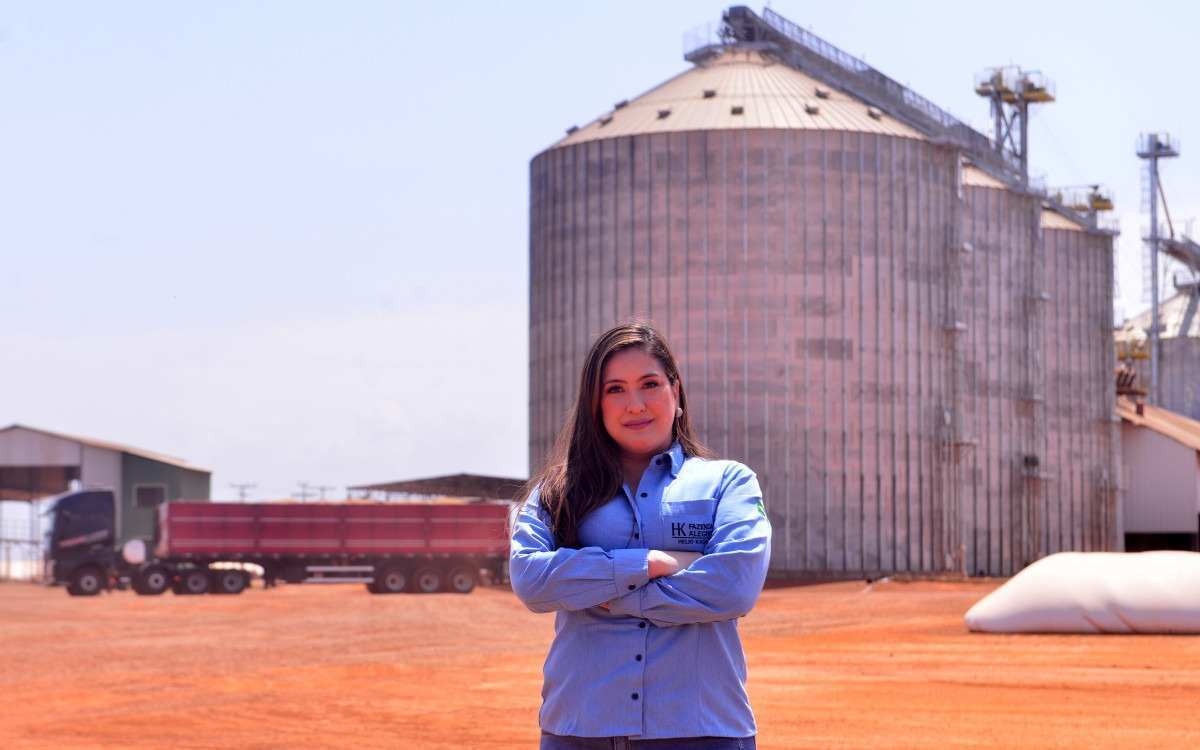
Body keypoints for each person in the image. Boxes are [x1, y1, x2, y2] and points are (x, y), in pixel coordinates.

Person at [509, 321, 772, 750]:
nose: (635, 404)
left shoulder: (728, 482)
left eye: (649, 384)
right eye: (615, 389)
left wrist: (599, 590)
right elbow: (531, 580)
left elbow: (733, 587)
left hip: (700, 732)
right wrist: (645, 565)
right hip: (578, 731)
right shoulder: (557, 492)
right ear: (595, 404)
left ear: (676, 390)